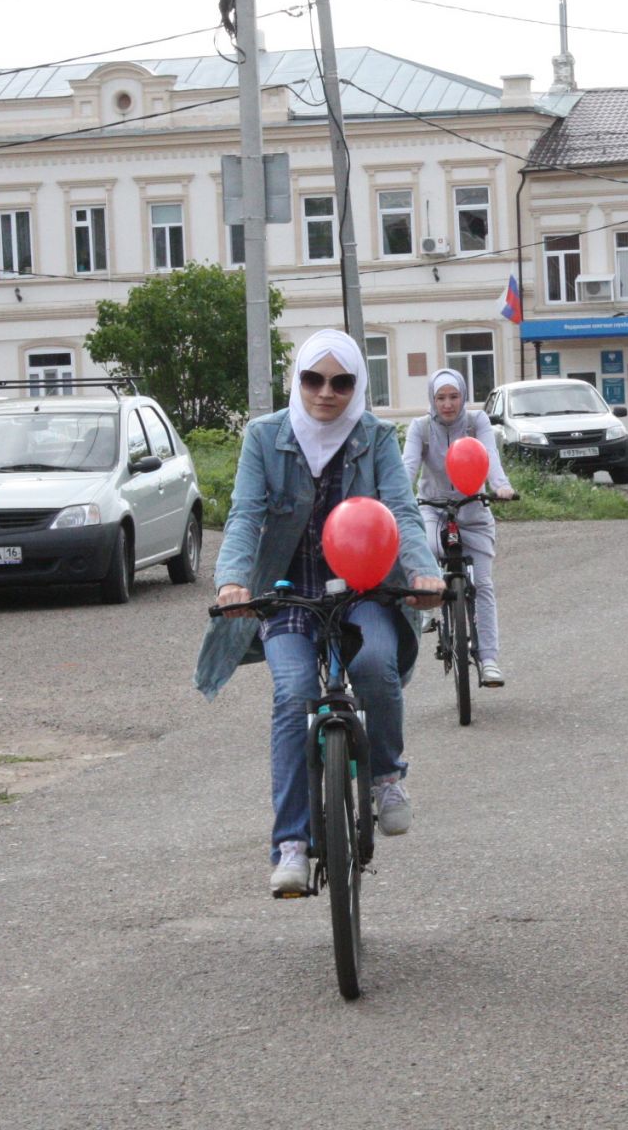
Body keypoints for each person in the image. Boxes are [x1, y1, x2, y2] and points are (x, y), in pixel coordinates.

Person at [195, 330, 444, 898]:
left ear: (357, 386)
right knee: (293, 692)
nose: (325, 393)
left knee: (378, 664)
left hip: (365, 588)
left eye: (341, 382)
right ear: (297, 379)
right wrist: (233, 581)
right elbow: (244, 515)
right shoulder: (264, 436)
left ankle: (385, 777)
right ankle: (289, 845)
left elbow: (401, 511)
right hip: (288, 592)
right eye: (313, 379)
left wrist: (423, 571)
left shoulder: (376, 436)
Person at [403, 369, 518, 686]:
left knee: (481, 584)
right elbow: (408, 467)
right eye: (441, 397)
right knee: (424, 548)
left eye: (454, 397)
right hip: (433, 508)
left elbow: (490, 456)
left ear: (463, 396)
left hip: (473, 508)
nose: (448, 404)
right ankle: (430, 605)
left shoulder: (476, 422)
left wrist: (501, 486)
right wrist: (394, 496)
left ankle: (490, 659)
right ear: (432, 398)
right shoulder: (421, 427)